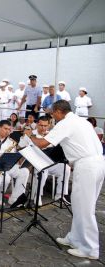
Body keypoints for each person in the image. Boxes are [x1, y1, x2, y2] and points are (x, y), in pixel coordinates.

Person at [28, 100, 105, 259]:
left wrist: (29, 136)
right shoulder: (81, 121)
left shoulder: (65, 123)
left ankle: (90, 249)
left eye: (52, 114)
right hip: (97, 163)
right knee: (79, 205)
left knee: (85, 208)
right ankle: (75, 239)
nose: (52, 117)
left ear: (57, 111)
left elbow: (42, 143)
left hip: (86, 166)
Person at [19, 116, 71, 206]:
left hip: (49, 162)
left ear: (49, 125)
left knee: (65, 168)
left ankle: (60, 195)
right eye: (41, 125)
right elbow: (20, 147)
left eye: (45, 126)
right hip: (34, 165)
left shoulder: (50, 134)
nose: (43, 128)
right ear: (37, 124)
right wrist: (25, 137)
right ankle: (37, 195)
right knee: (44, 169)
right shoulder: (30, 134)